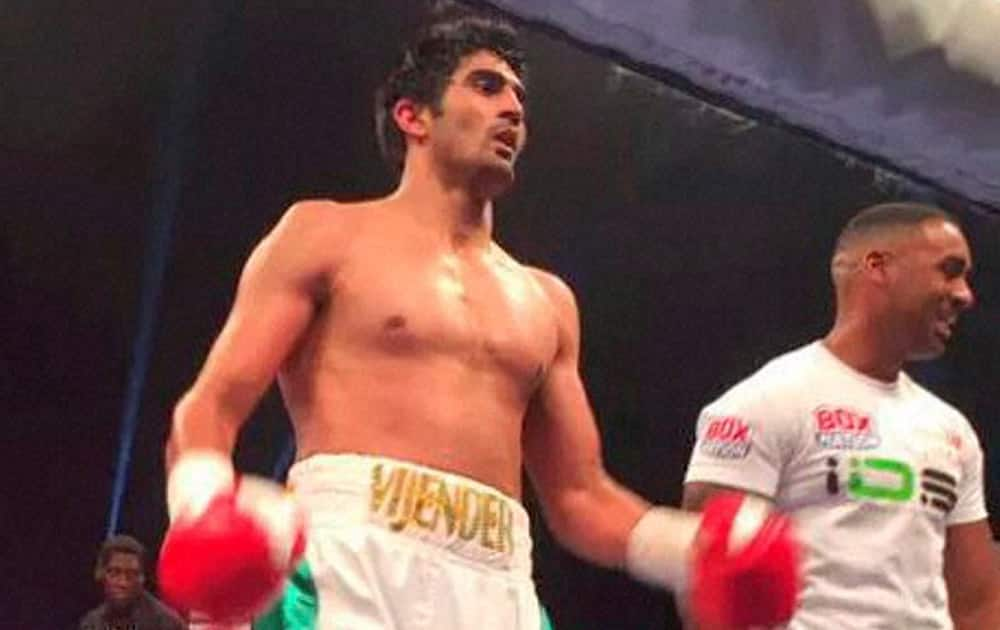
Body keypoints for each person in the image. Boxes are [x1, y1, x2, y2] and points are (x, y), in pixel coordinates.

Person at [162, 10, 798, 630]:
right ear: (413, 117)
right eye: (487, 86)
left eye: (520, 97)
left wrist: (692, 552)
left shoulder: (546, 300)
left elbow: (580, 497)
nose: (514, 111)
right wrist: (204, 508)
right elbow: (209, 409)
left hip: (497, 583)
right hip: (349, 563)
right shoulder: (325, 234)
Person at [683, 202, 1000, 628]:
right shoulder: (765, 402)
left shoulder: (951, 430)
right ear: (878, 266)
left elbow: (978, 603)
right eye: (949, 269)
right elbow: (706, 584)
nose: (965, 294)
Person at [80, 534, 187, 630]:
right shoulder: (91, 624)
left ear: (143, 578)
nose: (123, 583)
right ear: (101, 574)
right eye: (115, 573)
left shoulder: (167, 624)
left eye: (131, 575)